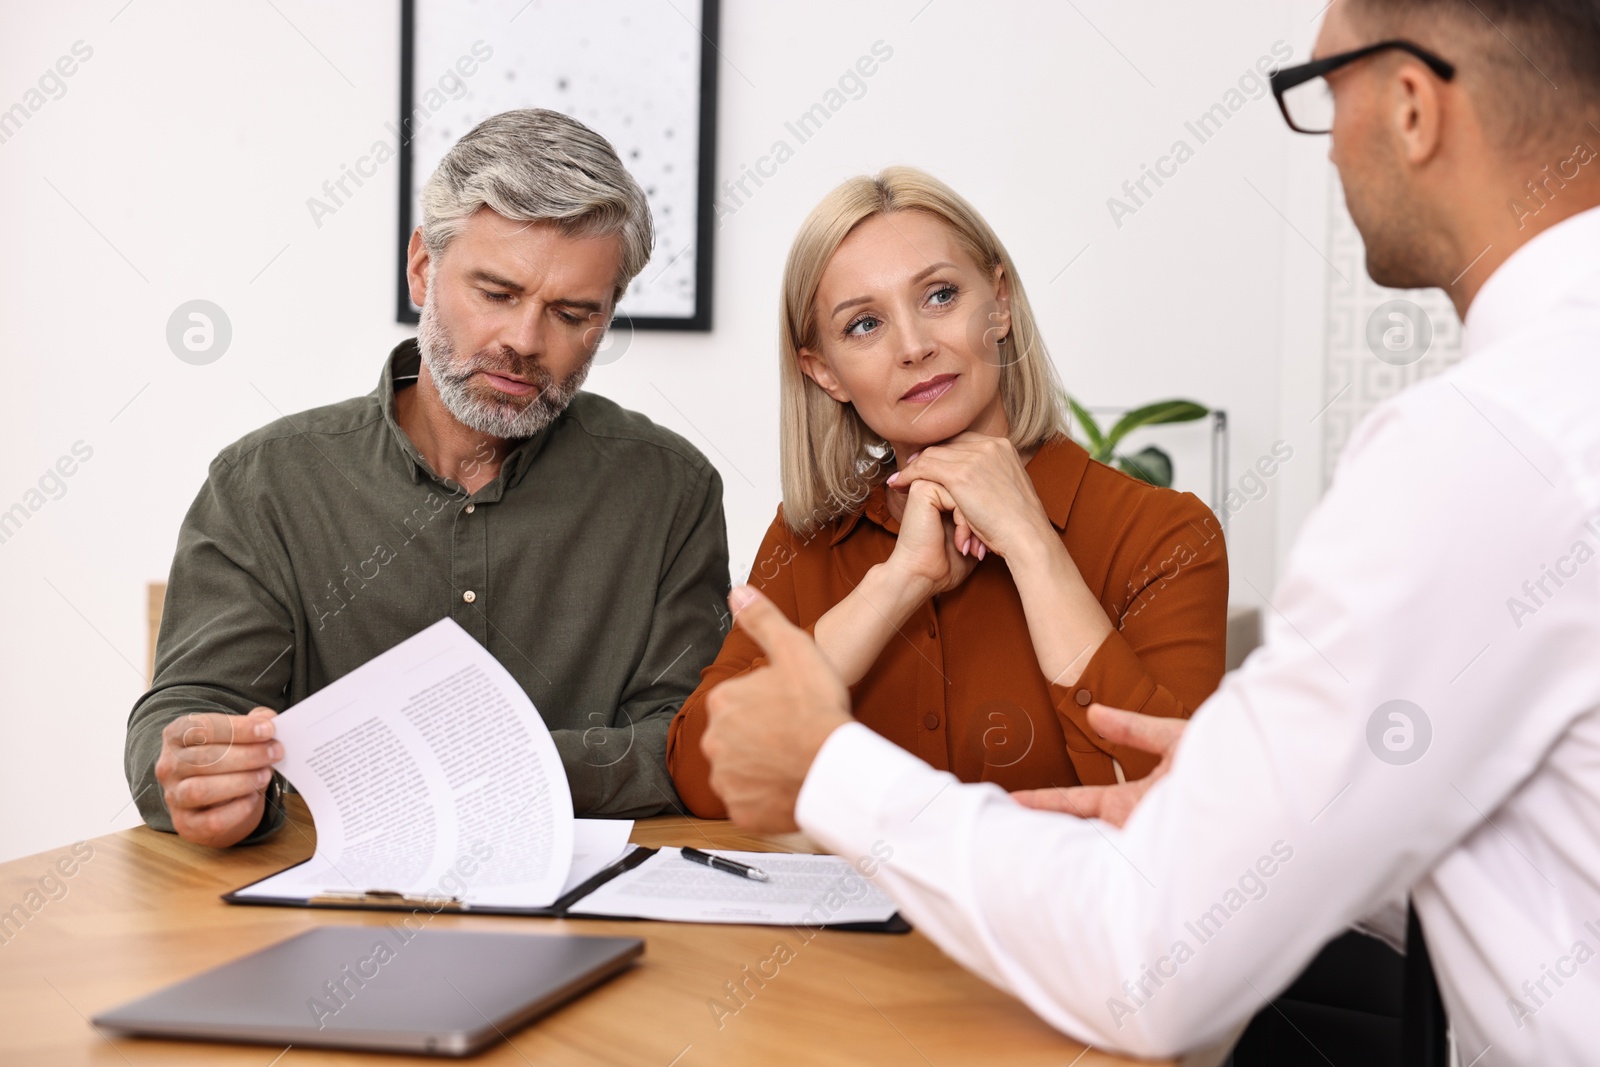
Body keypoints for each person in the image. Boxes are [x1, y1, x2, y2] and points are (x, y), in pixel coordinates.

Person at [697, 0, 1600, 1062]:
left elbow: (1155, 959)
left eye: (1322, 92)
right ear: (820, 368)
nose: (1326, 146)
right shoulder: (1536, 418)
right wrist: (1254, 794)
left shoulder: (1482, 448)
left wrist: (831, 766)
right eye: (860, 323)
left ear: (1408, 104)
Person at [127, 109, 729, 847]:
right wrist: (199, 774)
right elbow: (188, 711)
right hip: (324, 911)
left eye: (572, 313)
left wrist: (456, 769)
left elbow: (684, 742)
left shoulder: (671, 491)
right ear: (422, 267)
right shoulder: (266, 483)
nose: (524, 341)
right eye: (497, 293)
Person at [666, 168, 1229, 818]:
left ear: (1000, 304)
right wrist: (901, 579)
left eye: (939, 296)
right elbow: (704, 781)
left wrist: (1031, 543)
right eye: (863, 325)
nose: (915, 346)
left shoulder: (1165, 533)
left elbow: (1177, 808)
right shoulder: (808, 537)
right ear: (825, 372)